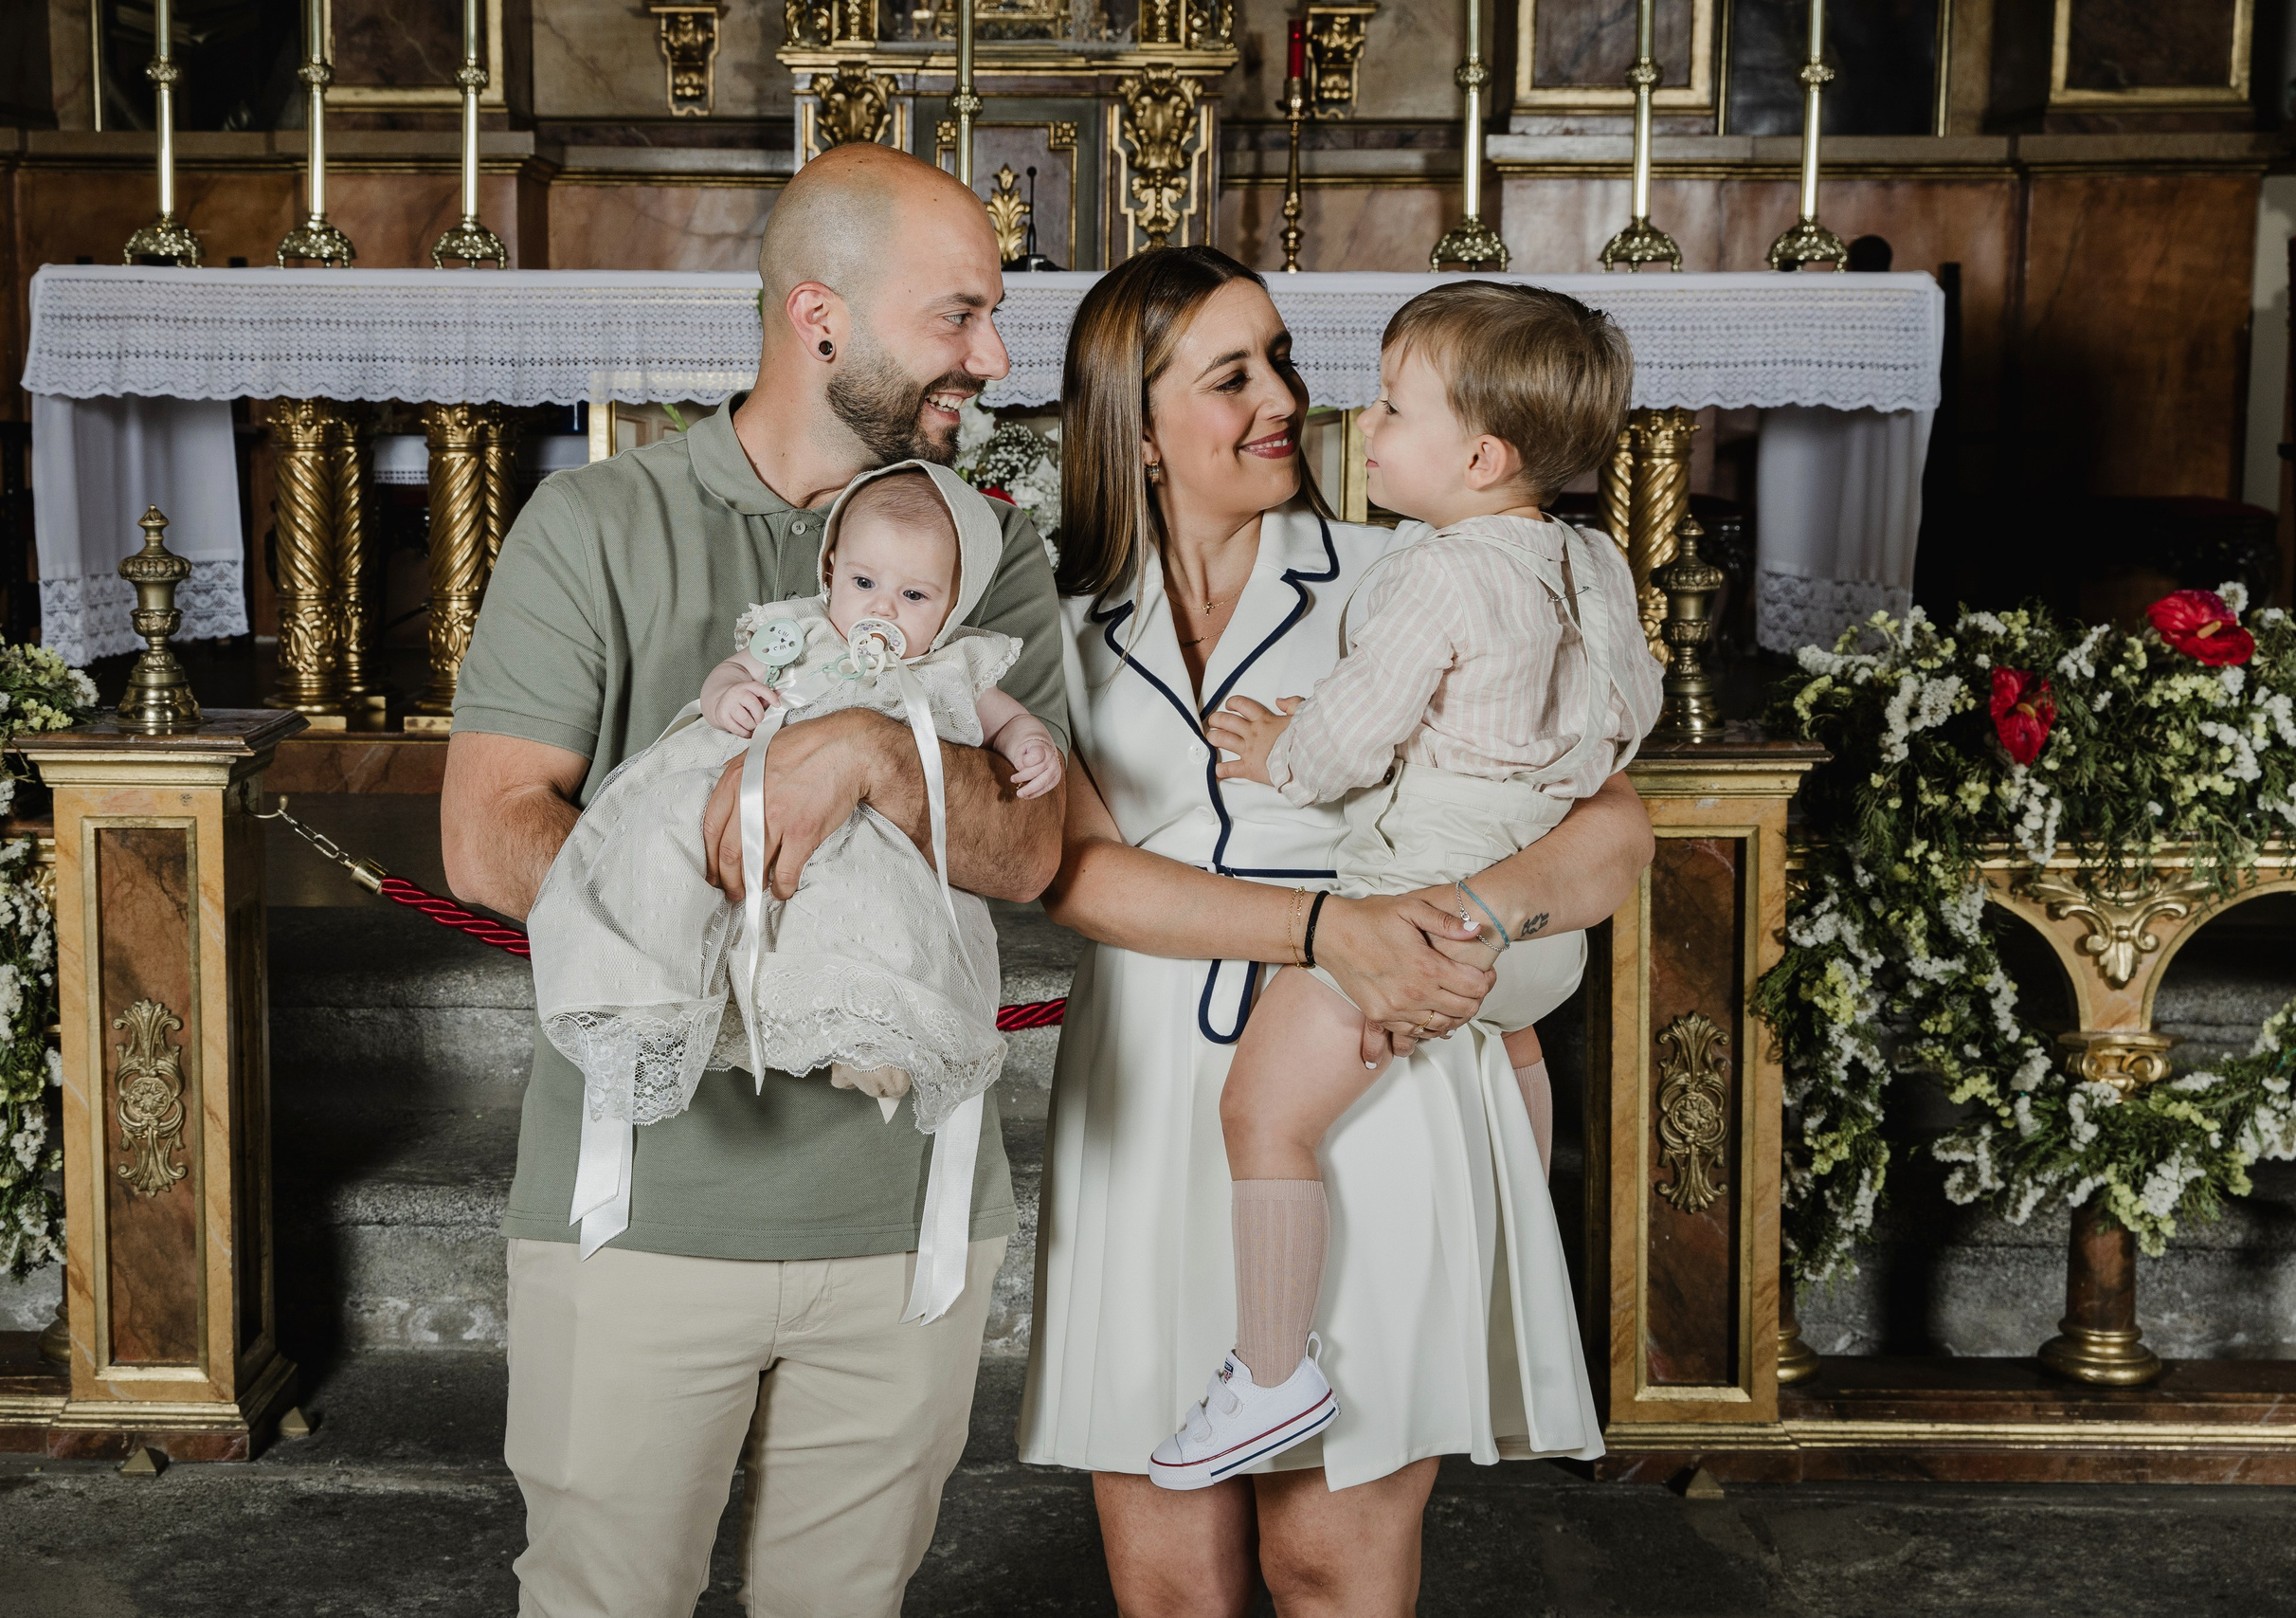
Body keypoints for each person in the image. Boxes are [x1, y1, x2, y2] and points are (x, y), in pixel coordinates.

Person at [439, 141, 1067, 1617]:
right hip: (641, 1214)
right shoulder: (598, 523)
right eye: (960, 313)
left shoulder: (981, 549)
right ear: (819, 316)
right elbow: (489, 833)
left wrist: (864, 748)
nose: (993, 355)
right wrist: (718, 913)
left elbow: (1032, 846)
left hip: (906, 1214)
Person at [1017, 246, 1653, 1617]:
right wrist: (1324, 927)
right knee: (1170, 1584)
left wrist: (1470, 918)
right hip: (1144, 1095)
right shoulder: (1055, 622)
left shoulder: (1424, 562)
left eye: (1285, 360)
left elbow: (1611, 827)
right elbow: (1071, 874)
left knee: (1328, 1563)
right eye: (1232, 375)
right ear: (1134, 427)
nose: (1286, 400)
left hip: (1376, 1072)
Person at [1151, 281, 1662, 1487]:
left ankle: (1270, 1376)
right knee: (1514, 1045)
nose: (1361, 423)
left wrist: (1281, 748)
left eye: (1390, 407)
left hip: (1422, 909)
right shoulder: (1591, 558)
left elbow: (1345, 745)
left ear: (1480, 458)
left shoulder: (1433, 571)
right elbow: (1620, 716)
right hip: (1535, 939)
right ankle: (1509, 1276)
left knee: (1263, 1113)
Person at [524, 464, 1062, 1323]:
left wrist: (1032, 744)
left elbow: (1007, 724)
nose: (883, 609)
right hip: (733, 785)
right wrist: (730, 696)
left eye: (915, 595)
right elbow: (725, 675)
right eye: (864, 582)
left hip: (865, 834)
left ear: (953, 605)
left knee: (883, 907)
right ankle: (645, 995)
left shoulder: (953, 664)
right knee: (661, 834)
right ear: (830, 570)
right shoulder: (796, 630)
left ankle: (870, 1033)